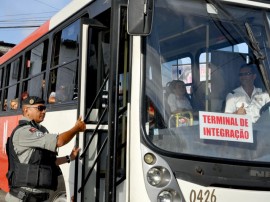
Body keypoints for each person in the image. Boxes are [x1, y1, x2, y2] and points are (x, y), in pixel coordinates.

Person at [5, 96, 86, 202]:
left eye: (45, 108)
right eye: (40, 108)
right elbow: (59, 141)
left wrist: (69, 158)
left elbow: (49, 163)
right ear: (26, 110)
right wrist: (76, 128)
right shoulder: (24, 132)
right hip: (22, 199)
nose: (44, 111)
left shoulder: (41, 130)